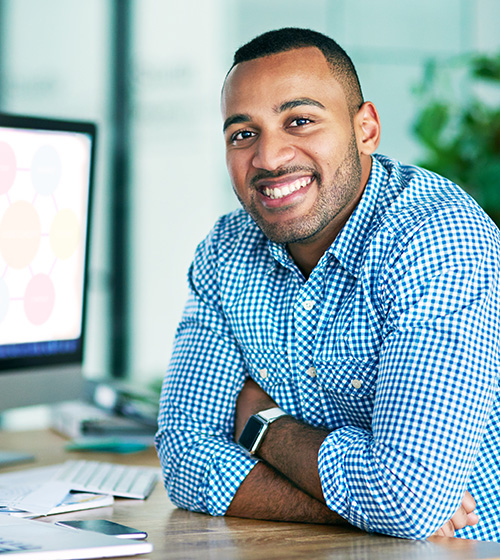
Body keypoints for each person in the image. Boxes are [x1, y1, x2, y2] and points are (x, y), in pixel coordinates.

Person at [155, 28, 500, 541]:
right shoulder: (227, 250)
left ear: (366, 129)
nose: (269, 159)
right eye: (243, 134)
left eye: (300, 121)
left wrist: (261, 425)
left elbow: (406, 498)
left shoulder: (438, 238)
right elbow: (185, 461)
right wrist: (370, 507)